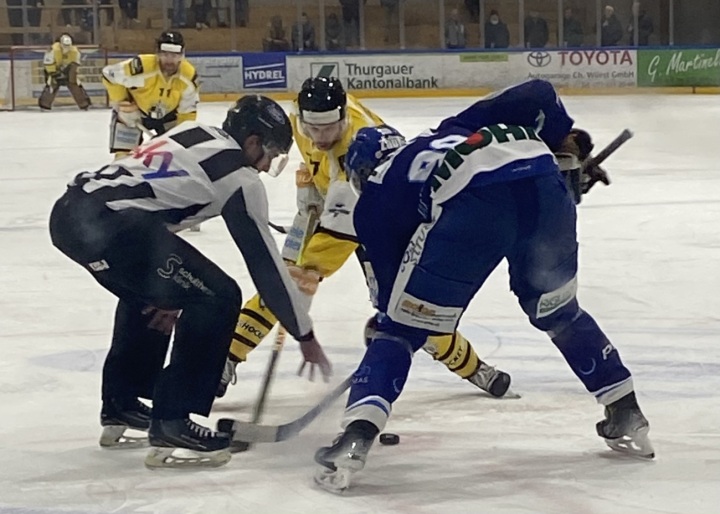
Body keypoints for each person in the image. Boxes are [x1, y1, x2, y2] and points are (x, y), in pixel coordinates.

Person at [313, 79, 654, 492]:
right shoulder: (453, 127)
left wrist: (388, 325)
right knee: (558, 312)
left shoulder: (375, 196)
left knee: (398, 332)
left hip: (475, 206)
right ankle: (626, 412)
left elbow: (396, 308)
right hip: (544, 185)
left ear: (362, 172)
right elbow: (538, 93)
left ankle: (353, 441)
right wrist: (568, 155)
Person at [48, 95, 331, 469]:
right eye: (270, 154)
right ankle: (173, 419)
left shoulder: (193, 133)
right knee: (219, 296)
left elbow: (151, 214)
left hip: (70, 216)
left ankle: (122, 402)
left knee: (157, 294)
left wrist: (170, 292)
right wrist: (304, 334)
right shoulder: (239, 177)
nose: (266, 167)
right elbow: (265, 268)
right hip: (113, 229)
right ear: (251, 142)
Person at [217, 76, 511, 402]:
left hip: (384, 222)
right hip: (340, 208)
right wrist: (310, 189)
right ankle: (224, 359)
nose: (319, 137)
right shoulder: (303, 123)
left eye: (329, 129)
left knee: (410, 312)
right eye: (312, 129)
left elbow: (342, 229)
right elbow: (317, 161)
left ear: (343, 117)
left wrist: (309, 269)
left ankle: (475, 368)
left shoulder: (358, 146)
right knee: (281, 282)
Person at [101, 31, 199, 156]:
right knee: (123, 158)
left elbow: (187, 113)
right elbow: (109, 75)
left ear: (182, 55)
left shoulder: (188, 75)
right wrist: (123, 102)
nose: (169, 60)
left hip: (169, 117)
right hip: (134, 113)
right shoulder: (141, 66)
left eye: (174, 55)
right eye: (165, 54)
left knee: (176, 157)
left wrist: (181, 137)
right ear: (157, 53)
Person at [39, 33, 92, 111]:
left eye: (68, 46)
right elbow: (48, 63)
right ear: (60, 44)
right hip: (55, 72)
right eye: (64, 45)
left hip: (68, 72)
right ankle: (44, 106)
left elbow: (75, 65)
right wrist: (54, 73)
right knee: (51, 85)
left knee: (75, 84)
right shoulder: (53, 50)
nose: (66, 48)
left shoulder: (75, 52)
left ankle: (84, 105)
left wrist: (72, 74)